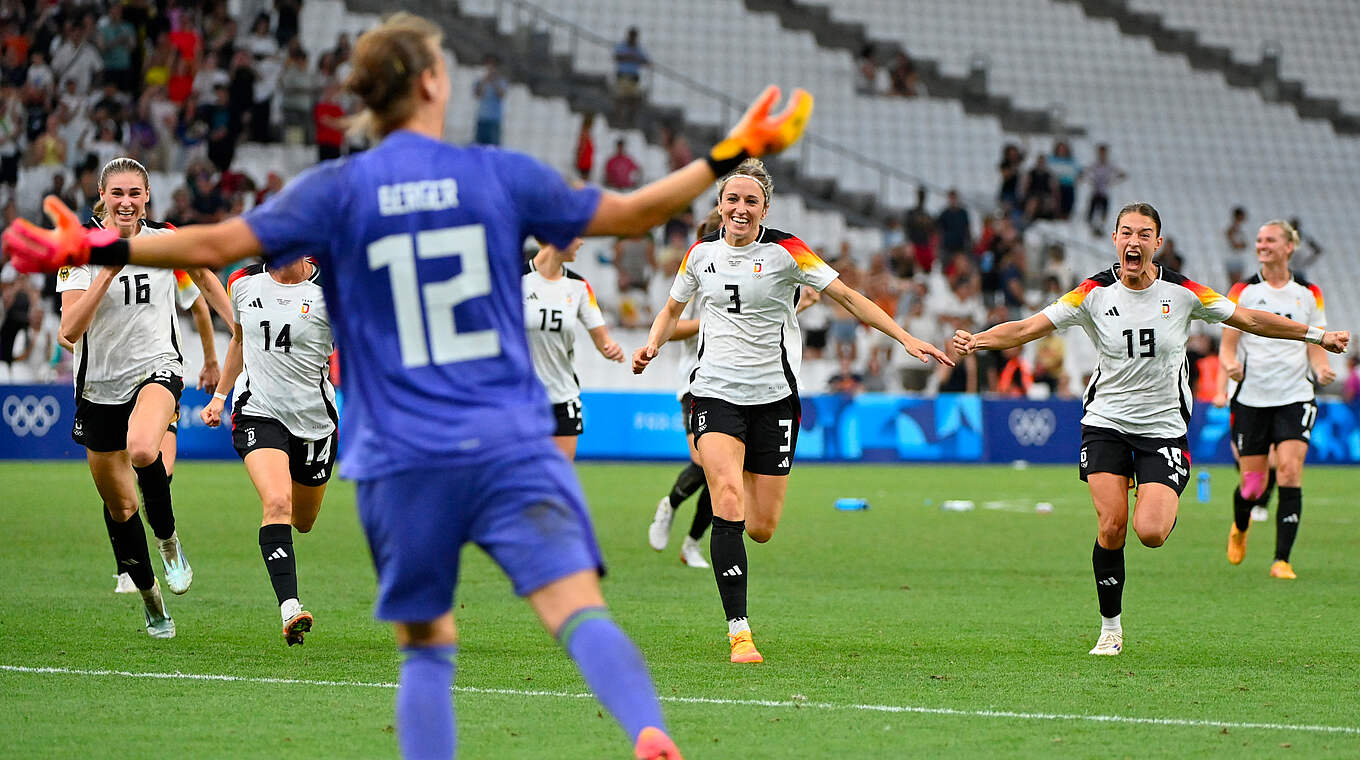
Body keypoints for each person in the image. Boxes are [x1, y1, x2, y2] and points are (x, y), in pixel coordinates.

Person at [5, 13, 813, 758]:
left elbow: (213, 242)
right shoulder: (495, 173)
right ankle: (644, 726)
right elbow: (634, 213)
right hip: (504, 439)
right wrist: (720, 155)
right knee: (578, 612)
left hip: (400, 458)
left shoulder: (336, 190)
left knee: (427, 649)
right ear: (432, 84)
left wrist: (101, 250)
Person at [950, 203, 1349, 657]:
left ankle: (1160, 495)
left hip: (1162, 429)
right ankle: (1110, 628)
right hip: (1106, 423)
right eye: (1125, 232)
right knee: (1112, 524)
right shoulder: (1092, 293)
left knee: (1152, 532)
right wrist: (979, 340)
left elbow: (1251, 320)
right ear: (1115, 240)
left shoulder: (1184, 292)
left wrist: (1317, 336)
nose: (1133, 241)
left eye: (1144, 234)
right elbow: (1028, 327)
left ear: (1157, 243)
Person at [633, 158, 950, 664]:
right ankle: (739, 631)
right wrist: (651, 345)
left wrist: (906, 337)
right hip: (714, 392)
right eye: (732, 200)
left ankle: (714, 531)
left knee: (761, 526)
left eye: (750, 201)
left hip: (775, 399)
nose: (740, 209)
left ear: (764, 209)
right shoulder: (699, 255)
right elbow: (672, 309)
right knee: (727, 497)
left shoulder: (786, 251)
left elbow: (847, 296)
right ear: (719, 206)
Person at [52, 157, 232, 637]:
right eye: (118, 193)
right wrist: (108, 272)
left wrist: (239, 327)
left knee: (144, 448)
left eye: (136, 193)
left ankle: (170, 543)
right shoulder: (80, 253)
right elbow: (68, 331)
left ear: (147, 197)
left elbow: (205, 275)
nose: (127, 202)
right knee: (121, 510)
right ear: (104, 197)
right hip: (97, 390)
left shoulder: (163, 242)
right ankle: (153, 601)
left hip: (157, 370)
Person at [198, 254, 336, 645]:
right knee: (277, 503)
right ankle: (290, 607)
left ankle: (286, 547)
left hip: (315, 422)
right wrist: (220, 396)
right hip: (259, 411)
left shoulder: (332, 290)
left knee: (303, 520)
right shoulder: (242, 280)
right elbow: (240, 340)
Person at [1214, 220, 1331, 580]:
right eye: (1259, 240)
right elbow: (1228, 346)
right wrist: (1230, 366)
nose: (1261, 245)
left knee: (1291, 471)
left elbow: (1317, 341)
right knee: (1254, 485)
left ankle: (1282, 559)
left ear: (1288, 247)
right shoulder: (1243, 291)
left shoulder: (1310, 293)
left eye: (1270, 240)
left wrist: (1322, 368)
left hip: (1295, 395)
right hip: (1252, 397)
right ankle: (1241, 525)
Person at [523, 237, 624, 461]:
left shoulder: (580, 286)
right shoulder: (515, 281)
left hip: (563, 397)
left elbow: (602, 338)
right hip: (522, 399)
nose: (580, 242)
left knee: (559, 481)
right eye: (576, 236)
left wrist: (611, 348)